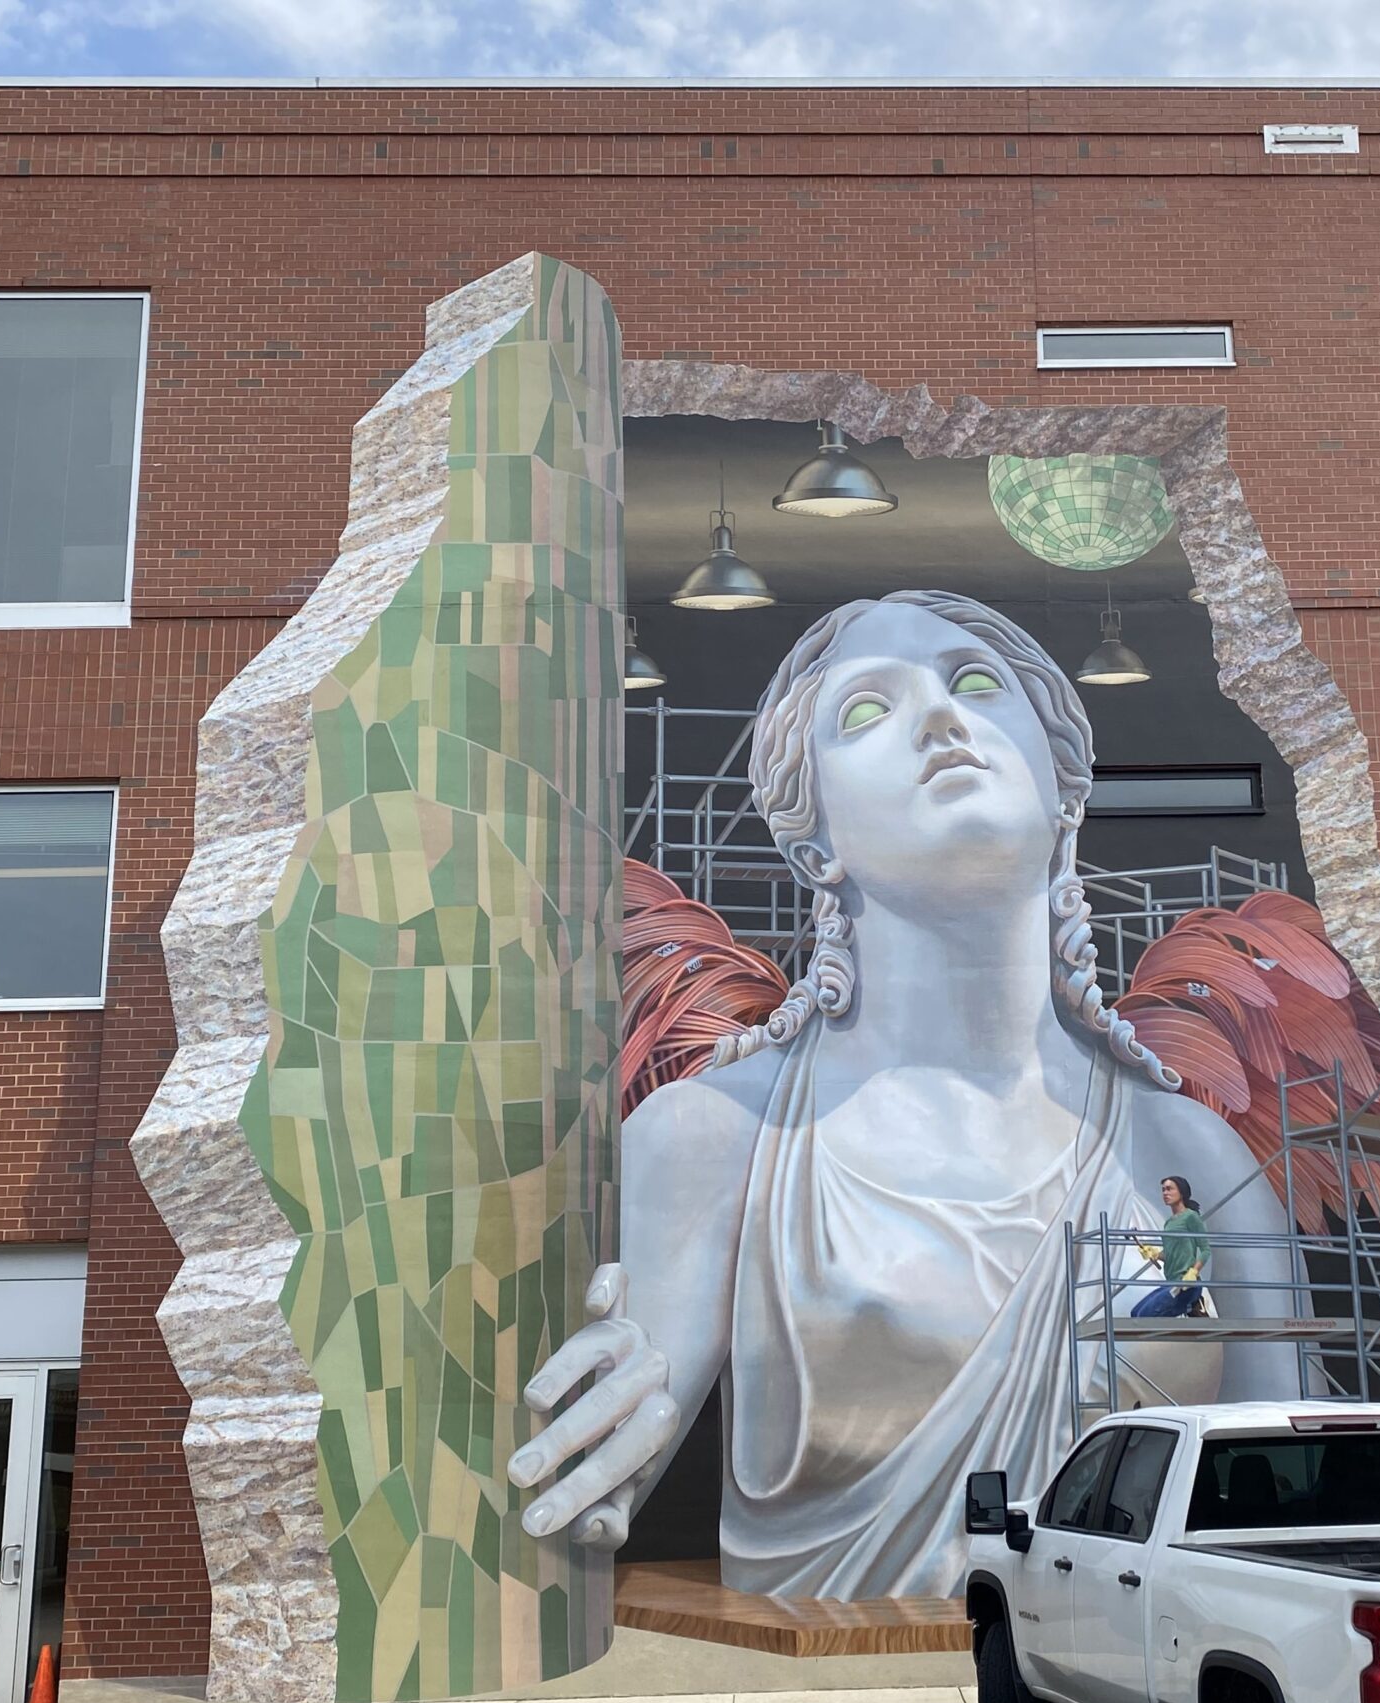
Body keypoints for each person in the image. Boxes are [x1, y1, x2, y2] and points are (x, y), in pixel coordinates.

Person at [504, 591, 1298, 1600]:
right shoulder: (719, 1138)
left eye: (975, 683)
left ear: (1063, 787)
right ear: (813, 843)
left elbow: (1291, 1502)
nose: (940, 717)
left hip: (1123, 1697)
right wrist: (572, 1451)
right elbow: (596, 1461)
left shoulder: (1189, 1155)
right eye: (867, 710)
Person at [1131, 1174, 1213, 1317]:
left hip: (1185, 1285)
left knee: (1143, 1316)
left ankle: (1193, 1303)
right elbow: (1171, 1254)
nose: (1165, 1193)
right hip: (1171, 1282)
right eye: (1163, 1190)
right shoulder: (1169, 1223)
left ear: (1181, 1192)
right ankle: (1191, 1305)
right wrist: (1154, 1253)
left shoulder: (1191, 1217)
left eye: (1169, 1189)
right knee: (1135, 1313)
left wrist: (1193, 1272)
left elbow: (1205, 1250)